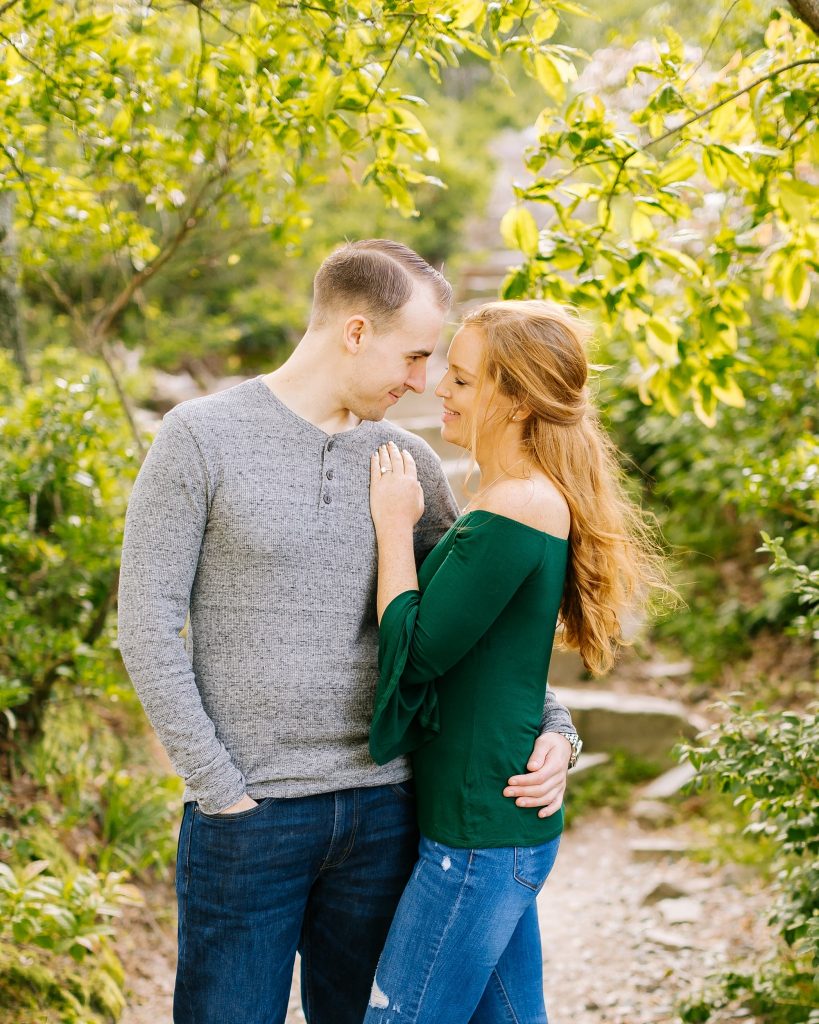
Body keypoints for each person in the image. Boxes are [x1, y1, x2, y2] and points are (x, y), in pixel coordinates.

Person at [116, 241, 582, 1024]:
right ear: (356, 332)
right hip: (250, 815)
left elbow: (472, 631)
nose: (420, 382)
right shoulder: (198, 438)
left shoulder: (409, 461)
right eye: (413, 356)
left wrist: (555, 729)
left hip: (386, 812)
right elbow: (147, 626)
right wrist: (219, 789)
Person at [363, 299, 670, 1024]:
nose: (440, 387)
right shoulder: (506, 500)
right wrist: (560, 732)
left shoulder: (520, 506)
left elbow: (415, 653)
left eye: (464, 381)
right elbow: (501, 667)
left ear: (515, 400)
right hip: (488, 829)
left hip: (477, 839)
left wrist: (392, 529)